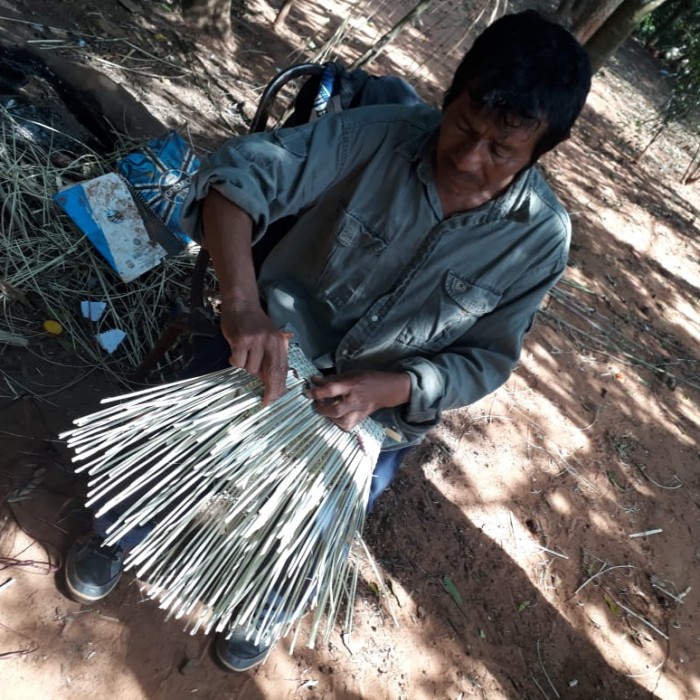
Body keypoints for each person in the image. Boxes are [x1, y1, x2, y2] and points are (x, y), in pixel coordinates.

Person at [62, 10, 591, 673]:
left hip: (381, 417)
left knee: (310, 531)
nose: (467, 157)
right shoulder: (380, 135)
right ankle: (119, 532)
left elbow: (488, 358)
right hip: (269, 351)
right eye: (463, 126)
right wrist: (243, 304)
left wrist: (392, 387)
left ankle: (264, 604)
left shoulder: (540, 238)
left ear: (540, 152)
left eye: (501, 151)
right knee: (182, 456)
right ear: (449, 98)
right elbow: (234, 181)